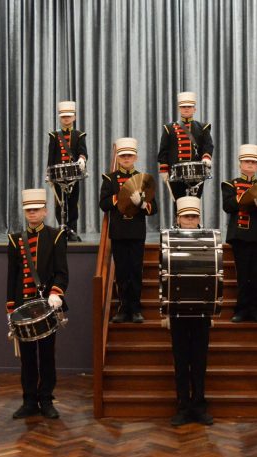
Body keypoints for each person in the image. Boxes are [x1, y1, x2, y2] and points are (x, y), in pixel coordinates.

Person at [6, 188, 69, 419]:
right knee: (27, 357)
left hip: (47, 306)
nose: (32, 213)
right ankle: (29, 400)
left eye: (36, 210)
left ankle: (46, 399)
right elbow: (12, 276)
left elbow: (62, 272)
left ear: (45, 211)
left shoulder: (56, 236)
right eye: (28, 210)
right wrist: (11, 308)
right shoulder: (15, 240)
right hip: (23, 307)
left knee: (47, 355)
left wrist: (56, 292)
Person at [100, 137, 158, 323]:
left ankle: (135, 309)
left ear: (136, 157)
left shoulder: (143, 179)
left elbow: (154, 209)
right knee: (122, 272)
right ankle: (123, 308)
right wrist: (120, 196)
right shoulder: (109, 179)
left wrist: (142, 203)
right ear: (118, 157)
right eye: (123, 156)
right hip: (118, 232)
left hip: (136, 231)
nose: (126, 159)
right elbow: (103, 204)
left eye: (129, 156)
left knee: (135, 271)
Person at [166, 196, 213, 427]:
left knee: (199, 361)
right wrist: (165, 311)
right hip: (177, 310)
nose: (190, 221)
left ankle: (199, 406)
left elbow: (214, 273)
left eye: (194, 217)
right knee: (181, 361)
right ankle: (183, 407)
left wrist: (213, 306)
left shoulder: (209, 240)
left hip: (202, 310)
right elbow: (164, 275)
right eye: (186, 217)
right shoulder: (169, 240)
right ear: (178, 219)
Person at [221, 144, 257, 323]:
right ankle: (241, 309)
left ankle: (256, 310)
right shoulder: (230, 184)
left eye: (253, 162)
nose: (250, 165)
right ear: (240, 164)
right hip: (239, 236)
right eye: (246, 161)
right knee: (243, 276)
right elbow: (228, 206)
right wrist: (247, 198)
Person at [157, 91, 214, 201]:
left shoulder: (202, 127)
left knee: (194, 205)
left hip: (196, 174)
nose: (186, 109)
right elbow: (163, 151)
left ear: (194, 109)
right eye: (183, 107)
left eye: (189, 106)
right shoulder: (169, 128)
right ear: (179, 109)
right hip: (175, 173)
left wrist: (206, 157)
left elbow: (208, 145)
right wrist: (164, 169)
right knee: (179, 205)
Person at [47, 100, 88, 242]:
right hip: (58, 175)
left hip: (73, 175)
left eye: (69, 116)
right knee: (60, 203)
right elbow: (51, 157)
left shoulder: (79, 135)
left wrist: (82, 159)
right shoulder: (54, 135)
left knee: (73, 203)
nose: (66, 119)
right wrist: (49, 174)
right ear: (60, 118)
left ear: (74, 117)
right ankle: (62, 228)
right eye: (64, 116)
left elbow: (83, 152)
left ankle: (72, 230)